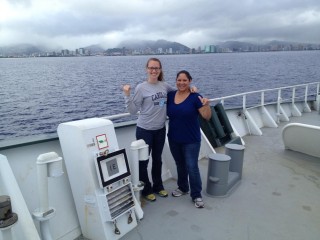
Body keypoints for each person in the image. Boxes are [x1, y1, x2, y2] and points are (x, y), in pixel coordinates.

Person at [122, 57, 175, 202]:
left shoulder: (164, 86)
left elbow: (179, 91)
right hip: (144, 130)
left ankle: (158, 186)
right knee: (143, 161)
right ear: (147, 69)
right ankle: (146, 189)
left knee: (157, 160)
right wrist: (127, 95)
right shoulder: (141, 87)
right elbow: (133, 110)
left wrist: (192, 89)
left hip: (160, 129)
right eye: (151, 68)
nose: (154, 70)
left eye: (156, 68)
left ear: (160, 70)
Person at [167, 70, 211, 208]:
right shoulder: (170, 95)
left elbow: (207, 116)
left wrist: (206, 104)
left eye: (184, 80)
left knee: (192, 167)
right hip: (174, 138)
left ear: (190, 81)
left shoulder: (195, 97)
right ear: (176, 81)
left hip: (191, 140)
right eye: (179, 80)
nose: (181, 83)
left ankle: (196, 195)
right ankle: (183, 188)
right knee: (180, 165)